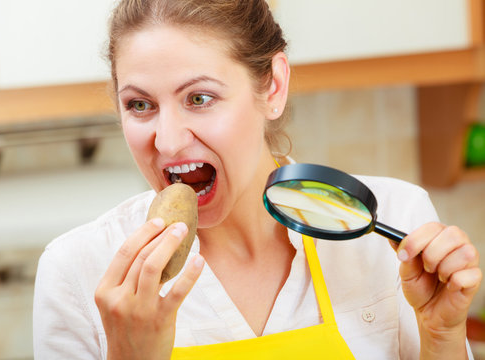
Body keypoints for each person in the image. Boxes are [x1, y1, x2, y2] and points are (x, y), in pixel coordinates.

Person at [33, 0, 482, 359]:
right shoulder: (78, 273)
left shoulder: (393, 224)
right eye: (139, 105)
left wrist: (442, 339)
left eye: (200, 97)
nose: (167, 142)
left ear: (273, 88)